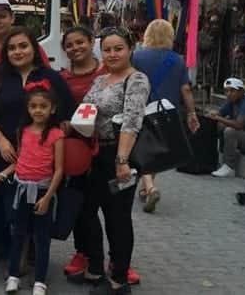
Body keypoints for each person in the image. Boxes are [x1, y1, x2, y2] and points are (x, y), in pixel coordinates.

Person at [0, 27, 74, 258]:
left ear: (34, 48)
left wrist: (58, 131)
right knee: (3, 202)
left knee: (33, 203)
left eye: (23, 46)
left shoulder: (50, 78)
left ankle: (30, 250)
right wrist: (2, 141)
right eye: (11, 48)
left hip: (37, 155)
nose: (17, 51)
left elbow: (67, 113)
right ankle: (5, 249)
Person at [75, 28, 149, 295]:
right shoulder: (101, 80)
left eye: (118, 48)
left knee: (117, 218)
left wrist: (122, 160)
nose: (112, 54)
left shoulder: (136, 79)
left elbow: (132, 121)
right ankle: (96, 264)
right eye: (107, 49)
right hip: (95, 154)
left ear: (130, 49)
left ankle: (118, 280)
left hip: (120, 156)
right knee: (85, 210)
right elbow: (86, 110)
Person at [0, 85, 65, 295]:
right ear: (27, 109)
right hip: (21, 191)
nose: (38, 110)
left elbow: (59, 170)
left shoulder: (56, 135)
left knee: (41, 238)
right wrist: (1, 176)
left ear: (53, 109)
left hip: (42, 192)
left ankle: (40, 281)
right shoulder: (23, 131)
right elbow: (20, 161)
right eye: (33, 106)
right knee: (18, 235)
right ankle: (13, 276)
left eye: (43, 106)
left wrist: (48, 197)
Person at [131, 19, 199, 214]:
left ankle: (149, 187)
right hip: (168, 112)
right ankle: (147, 188)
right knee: (157, 150)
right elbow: (185, 89)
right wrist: (192, 113)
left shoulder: (136, 56)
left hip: (142, 108)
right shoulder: (177, 59)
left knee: (142, 149)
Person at [58, 25, 105, 280]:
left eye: (80, 42)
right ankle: (82, 253)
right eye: (70, 45)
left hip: (106, 148)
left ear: (90, 42)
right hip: (75, 151)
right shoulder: (63, 78)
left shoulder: (106, 71)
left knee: (109, 208)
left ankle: (118, 260)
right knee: (79, 205)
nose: (75, 48)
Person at [208, 78, 245, 178]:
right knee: (219, 125)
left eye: (232, 90)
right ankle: (217, 157)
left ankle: (229, 166)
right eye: (227, 91)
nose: (229, 94)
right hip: (244, 137)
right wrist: (213, 114)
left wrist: (218, 117)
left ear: (241, 91)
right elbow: (219, 114)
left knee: (230, 131)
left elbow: (238, 125)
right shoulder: (231, 102)